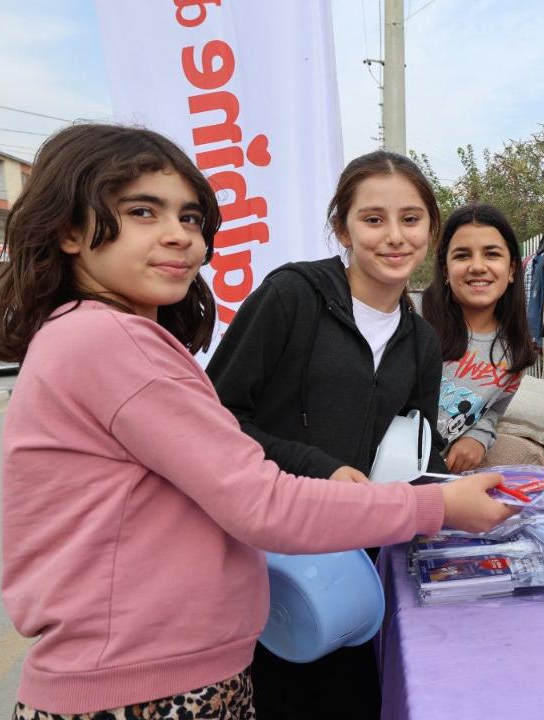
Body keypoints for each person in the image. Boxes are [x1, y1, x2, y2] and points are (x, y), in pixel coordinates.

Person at [0, 124, 514, 719]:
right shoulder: (269, 302)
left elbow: (416, 448)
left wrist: (445, 506)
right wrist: (407, 497)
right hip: (159, 666)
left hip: (328, 576)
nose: (178, 237)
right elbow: (249, 477)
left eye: (189, 218)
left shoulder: (418, 336)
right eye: (143, 212)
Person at [206, 150, 451, 719]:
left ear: (430, 230)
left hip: (353, 574)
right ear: (341, 226)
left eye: (411, 219)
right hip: (267, 562)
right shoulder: (292, 296)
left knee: (353, 700)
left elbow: (419, 447)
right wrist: (318, 467)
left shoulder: (422, 342)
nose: (395, 237)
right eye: (373, 219)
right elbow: (214, 418)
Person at [422, 203, 535, 472]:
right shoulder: (416, 325)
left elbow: (493, 409)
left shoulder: (515, 351)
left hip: (445, 480)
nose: (477, 266)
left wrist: (478, 437)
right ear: (446, 271)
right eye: (462, 256)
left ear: (511, 270)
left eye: (492, 254)